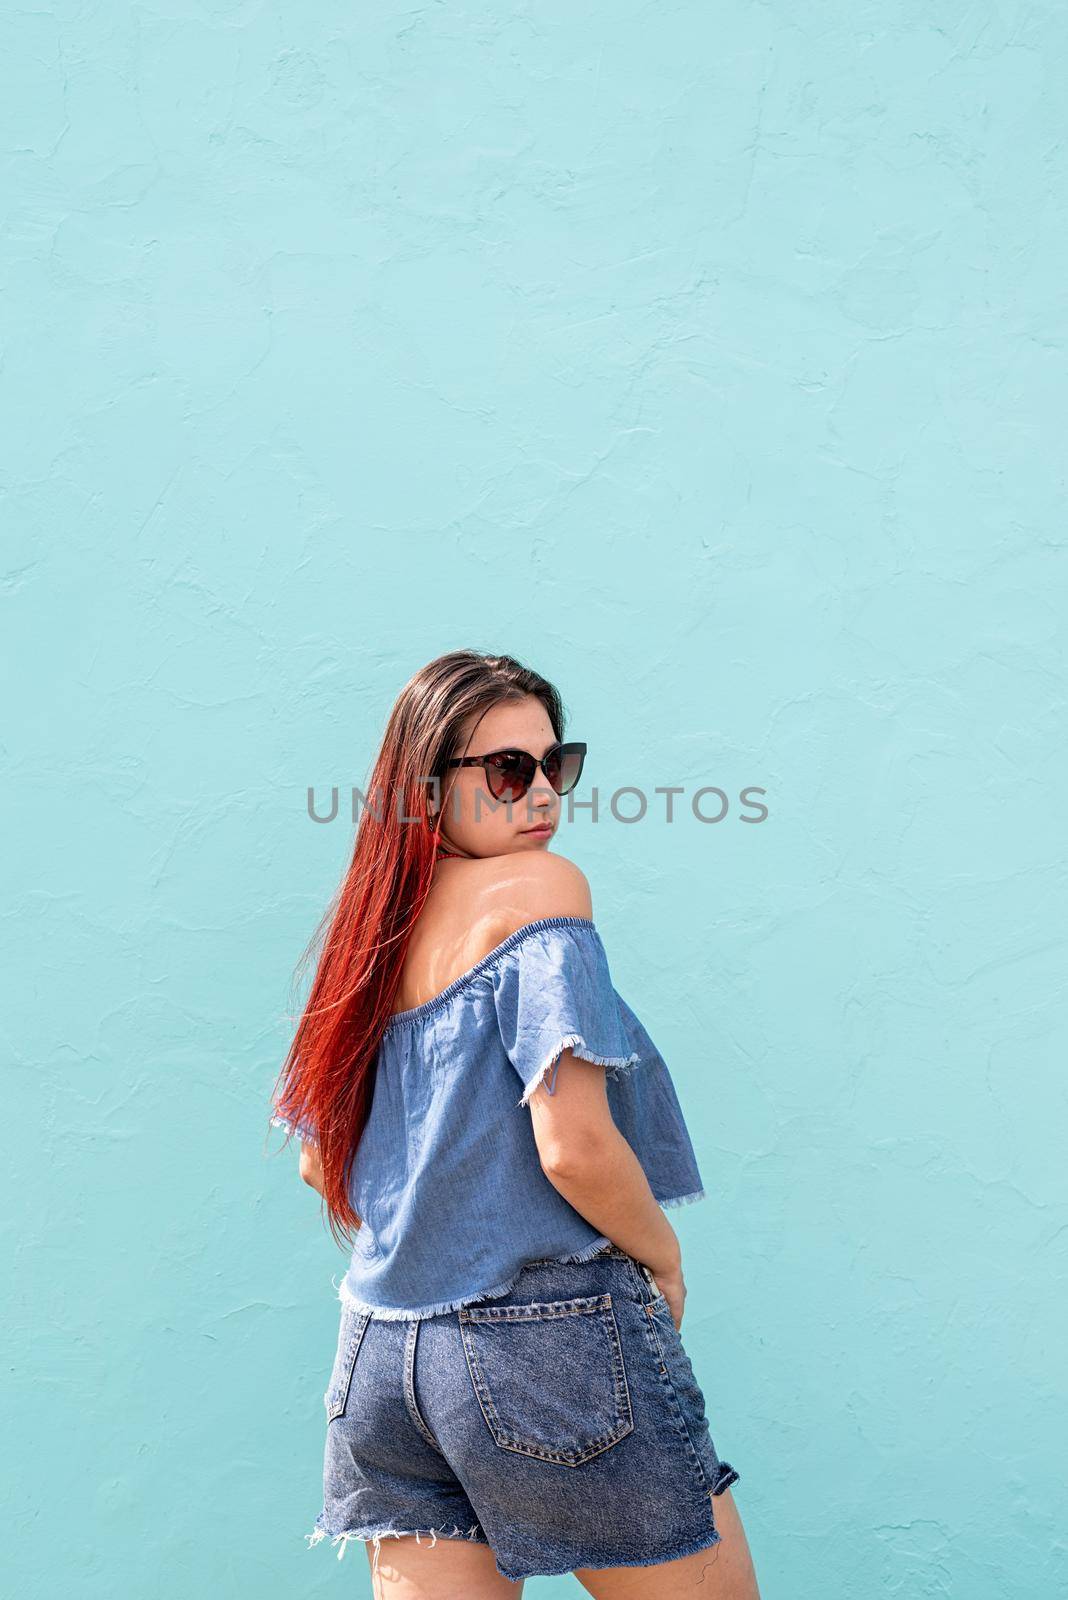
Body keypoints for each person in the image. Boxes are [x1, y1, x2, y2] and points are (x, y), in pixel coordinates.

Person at [270, 649, 761, 1597]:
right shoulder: (542, 895)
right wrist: (662, 1255)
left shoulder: (370, 937)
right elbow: (573, 1144)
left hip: (380, 1358)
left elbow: (314, 1163)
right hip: (547, 1344)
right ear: (427, 787)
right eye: (506, 770)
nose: (541, 793)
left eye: (555, 765)